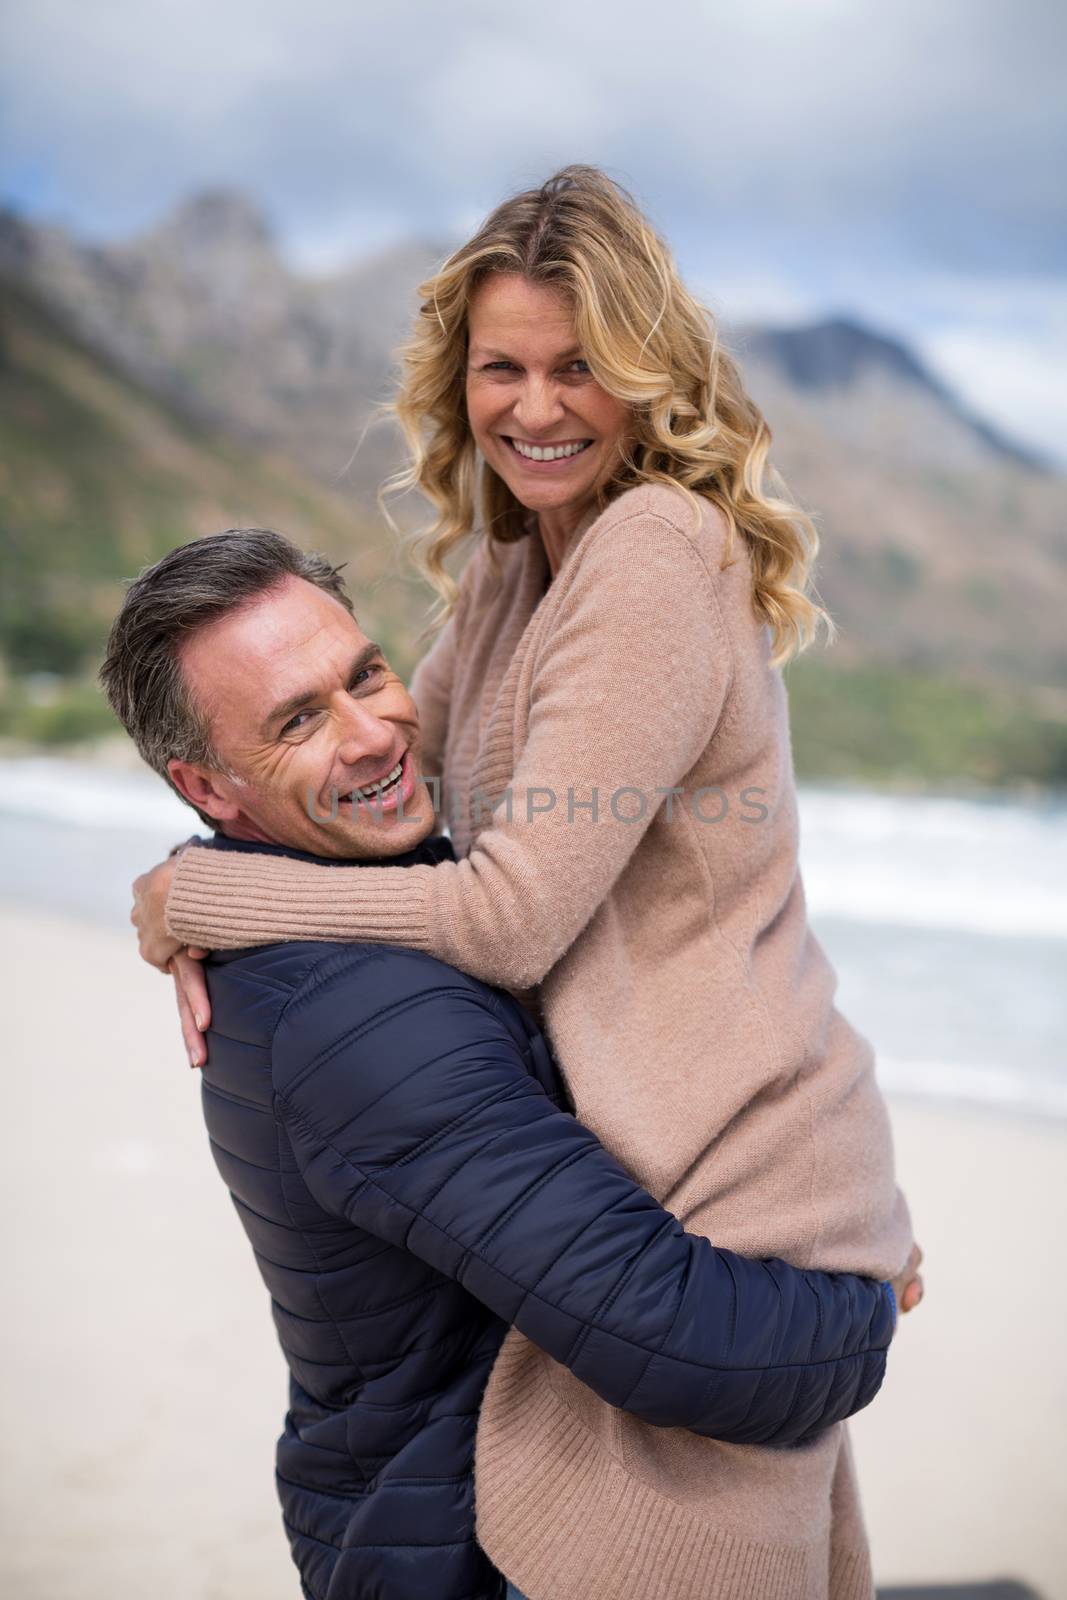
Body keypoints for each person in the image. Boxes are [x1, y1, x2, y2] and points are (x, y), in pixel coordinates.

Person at [132, 167, 922, 1599]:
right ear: (460, 376)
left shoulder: (654, 553)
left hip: (736, 1188)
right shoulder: (516, 563)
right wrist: (202, 860)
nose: (536, 408)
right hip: (648, 1176)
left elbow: (507, 911)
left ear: (645, 379)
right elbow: (386, 783)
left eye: (580, 368)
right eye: (503, 367)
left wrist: (211, 902)